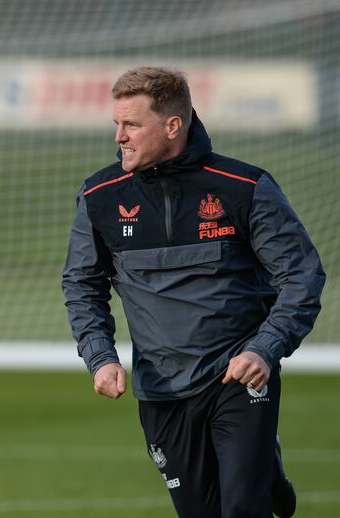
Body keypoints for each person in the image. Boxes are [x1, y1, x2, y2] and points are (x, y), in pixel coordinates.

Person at [61, 66, 325, 518]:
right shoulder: (99, 197)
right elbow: (82, 284)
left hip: (238, 377)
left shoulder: (245, 188)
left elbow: (302, 276)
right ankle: (270, 468)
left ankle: (261, 467)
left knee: (242, 508)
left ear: (172, 125)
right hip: (162, 389)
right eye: (117, 125)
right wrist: (100, 356)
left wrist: (265, 349)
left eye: (132, 125)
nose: (120, 137)